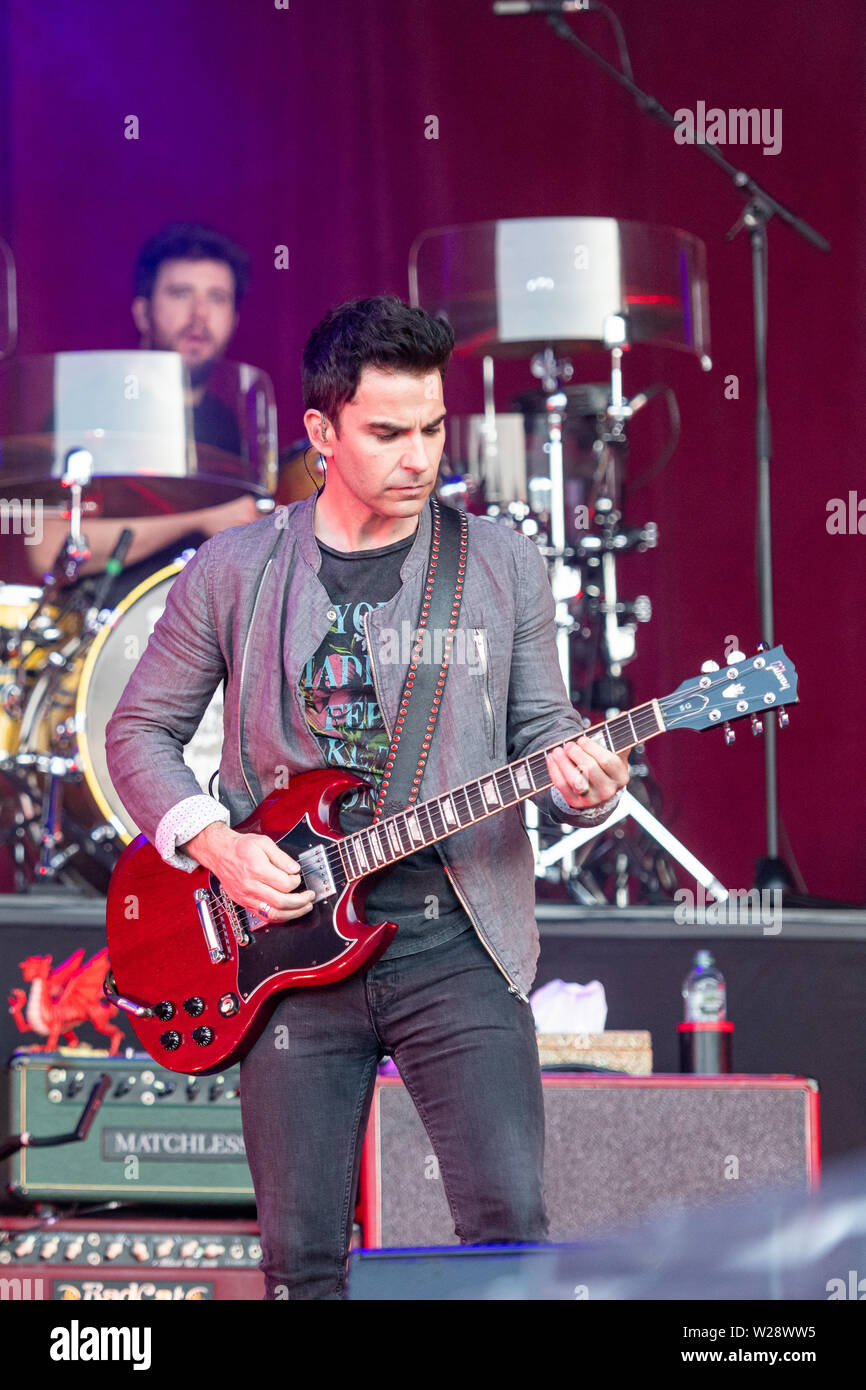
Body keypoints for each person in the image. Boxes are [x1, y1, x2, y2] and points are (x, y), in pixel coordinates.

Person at [104, 295, 629, 1300]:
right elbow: (138, 732)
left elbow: (542, 729)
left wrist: (581, 776)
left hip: (457, 939)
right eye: (386, 432)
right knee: (300, 1265)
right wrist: (213, 842)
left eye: (431, 428)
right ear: (321, 431)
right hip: (282, 952)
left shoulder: (500, 563)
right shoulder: (234, 569)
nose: (417, 456)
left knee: (508, 1237)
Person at [26, 223, 259, 601]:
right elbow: (48, 549)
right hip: (107, 637)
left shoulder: (229, 423)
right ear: (142, 312)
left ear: (234, 319)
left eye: (217, 297)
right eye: (181, 294)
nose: (199, 315)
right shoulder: (92, 405)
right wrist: (199, 518)